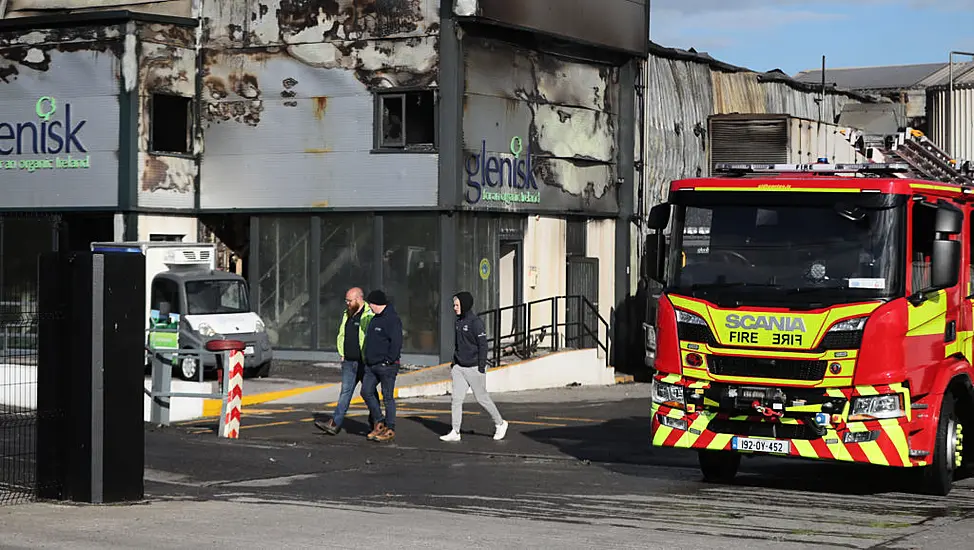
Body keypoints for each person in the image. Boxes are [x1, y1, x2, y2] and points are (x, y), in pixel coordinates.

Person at [440, 291, 509, 442]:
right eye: (454, 305)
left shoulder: (475, 323)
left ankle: (500, 423)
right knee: (456, 399)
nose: (454, 308)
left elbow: (483, 345)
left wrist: (481, 366)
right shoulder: (458, 322)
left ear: (464, 305)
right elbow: (458, 344)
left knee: (482, 398)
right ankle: (455, 431)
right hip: (459, 367)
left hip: (474, 367)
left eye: (457, 305)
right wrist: (454, 364)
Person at [314, 287, 374, 436]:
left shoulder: (369, 314)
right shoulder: (347, 313)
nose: (347, 303)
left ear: (359, 299)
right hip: (348, 361)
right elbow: (342, 333)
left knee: (369, 393)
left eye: (350, 300)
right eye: (346, 300)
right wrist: (342, 353)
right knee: (345, 393)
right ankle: (335, 424)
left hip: (364, 362)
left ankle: (377, 423)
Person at [360, 290, 403, 442]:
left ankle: (390, 427)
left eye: (370, 304)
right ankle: (379, 421)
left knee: (387, 397)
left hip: (387, 366)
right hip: (371, 365)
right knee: (366, 391)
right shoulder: (375, 319)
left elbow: (396, 343)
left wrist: (389, 360)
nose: (369, 307)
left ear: (376, 303)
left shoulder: (392, 319)